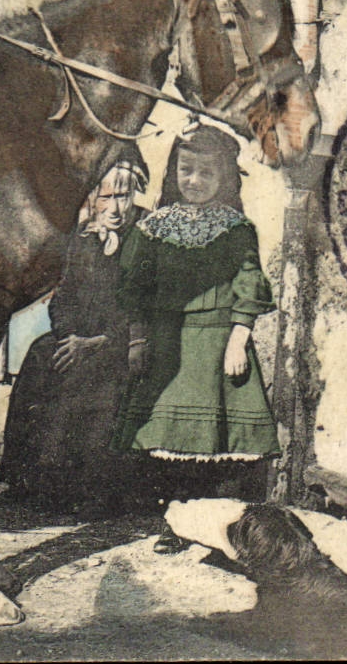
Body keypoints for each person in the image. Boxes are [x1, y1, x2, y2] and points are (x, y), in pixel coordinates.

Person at [109, 124, 279, 548]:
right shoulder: (151, 230)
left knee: (216, 442)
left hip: (218, 343)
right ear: (173, 172)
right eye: (186, 170)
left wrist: (239, 338)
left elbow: (248, 283)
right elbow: (133, 289)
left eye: (207, 173)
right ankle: (175, 525)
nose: (195, 182)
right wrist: (137, 340)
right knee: (166, 440)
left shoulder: (236, 229)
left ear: (224, 179)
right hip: (168, 346)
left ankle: (217, 525)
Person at [0, 151, 149, 512]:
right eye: (106, 197)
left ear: (136, 197)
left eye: (123, 197)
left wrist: (99, 342)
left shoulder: (145, 241)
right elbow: (62, 297)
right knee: (40, 355)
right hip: (77, 337)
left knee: (95, 382)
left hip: (120, 343)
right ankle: (29, 479)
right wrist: (68, 336)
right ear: (94, 200)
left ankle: (86, 491)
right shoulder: (83, 240)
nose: (114, 208)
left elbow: (144, 305)